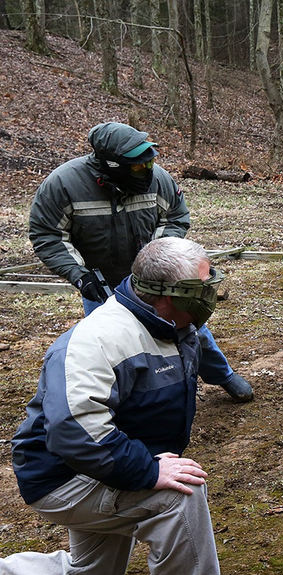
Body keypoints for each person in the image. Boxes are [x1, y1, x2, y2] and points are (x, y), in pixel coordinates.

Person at [1, 237, 259, 575]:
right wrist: (148, 469)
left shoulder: (174, 325)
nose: (212, 295)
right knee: (180, 492)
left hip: (101, 464)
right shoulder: (97, 340)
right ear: (165, 296)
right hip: (64, 476)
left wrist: (226, 378)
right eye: (202, 287)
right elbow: (74, 431)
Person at [28, 121, 254, 403]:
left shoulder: (158, 179)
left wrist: (158, 258)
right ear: (111, 165)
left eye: (149, 163)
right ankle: (123, 402)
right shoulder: (63, 184)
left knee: (188, 330)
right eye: (137, 167)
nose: (147, 171)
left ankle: (222, 375)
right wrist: (79, 275)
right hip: (102, 283)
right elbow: (48, 234)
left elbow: (175, 216)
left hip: (155, 281)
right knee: (109, 346)